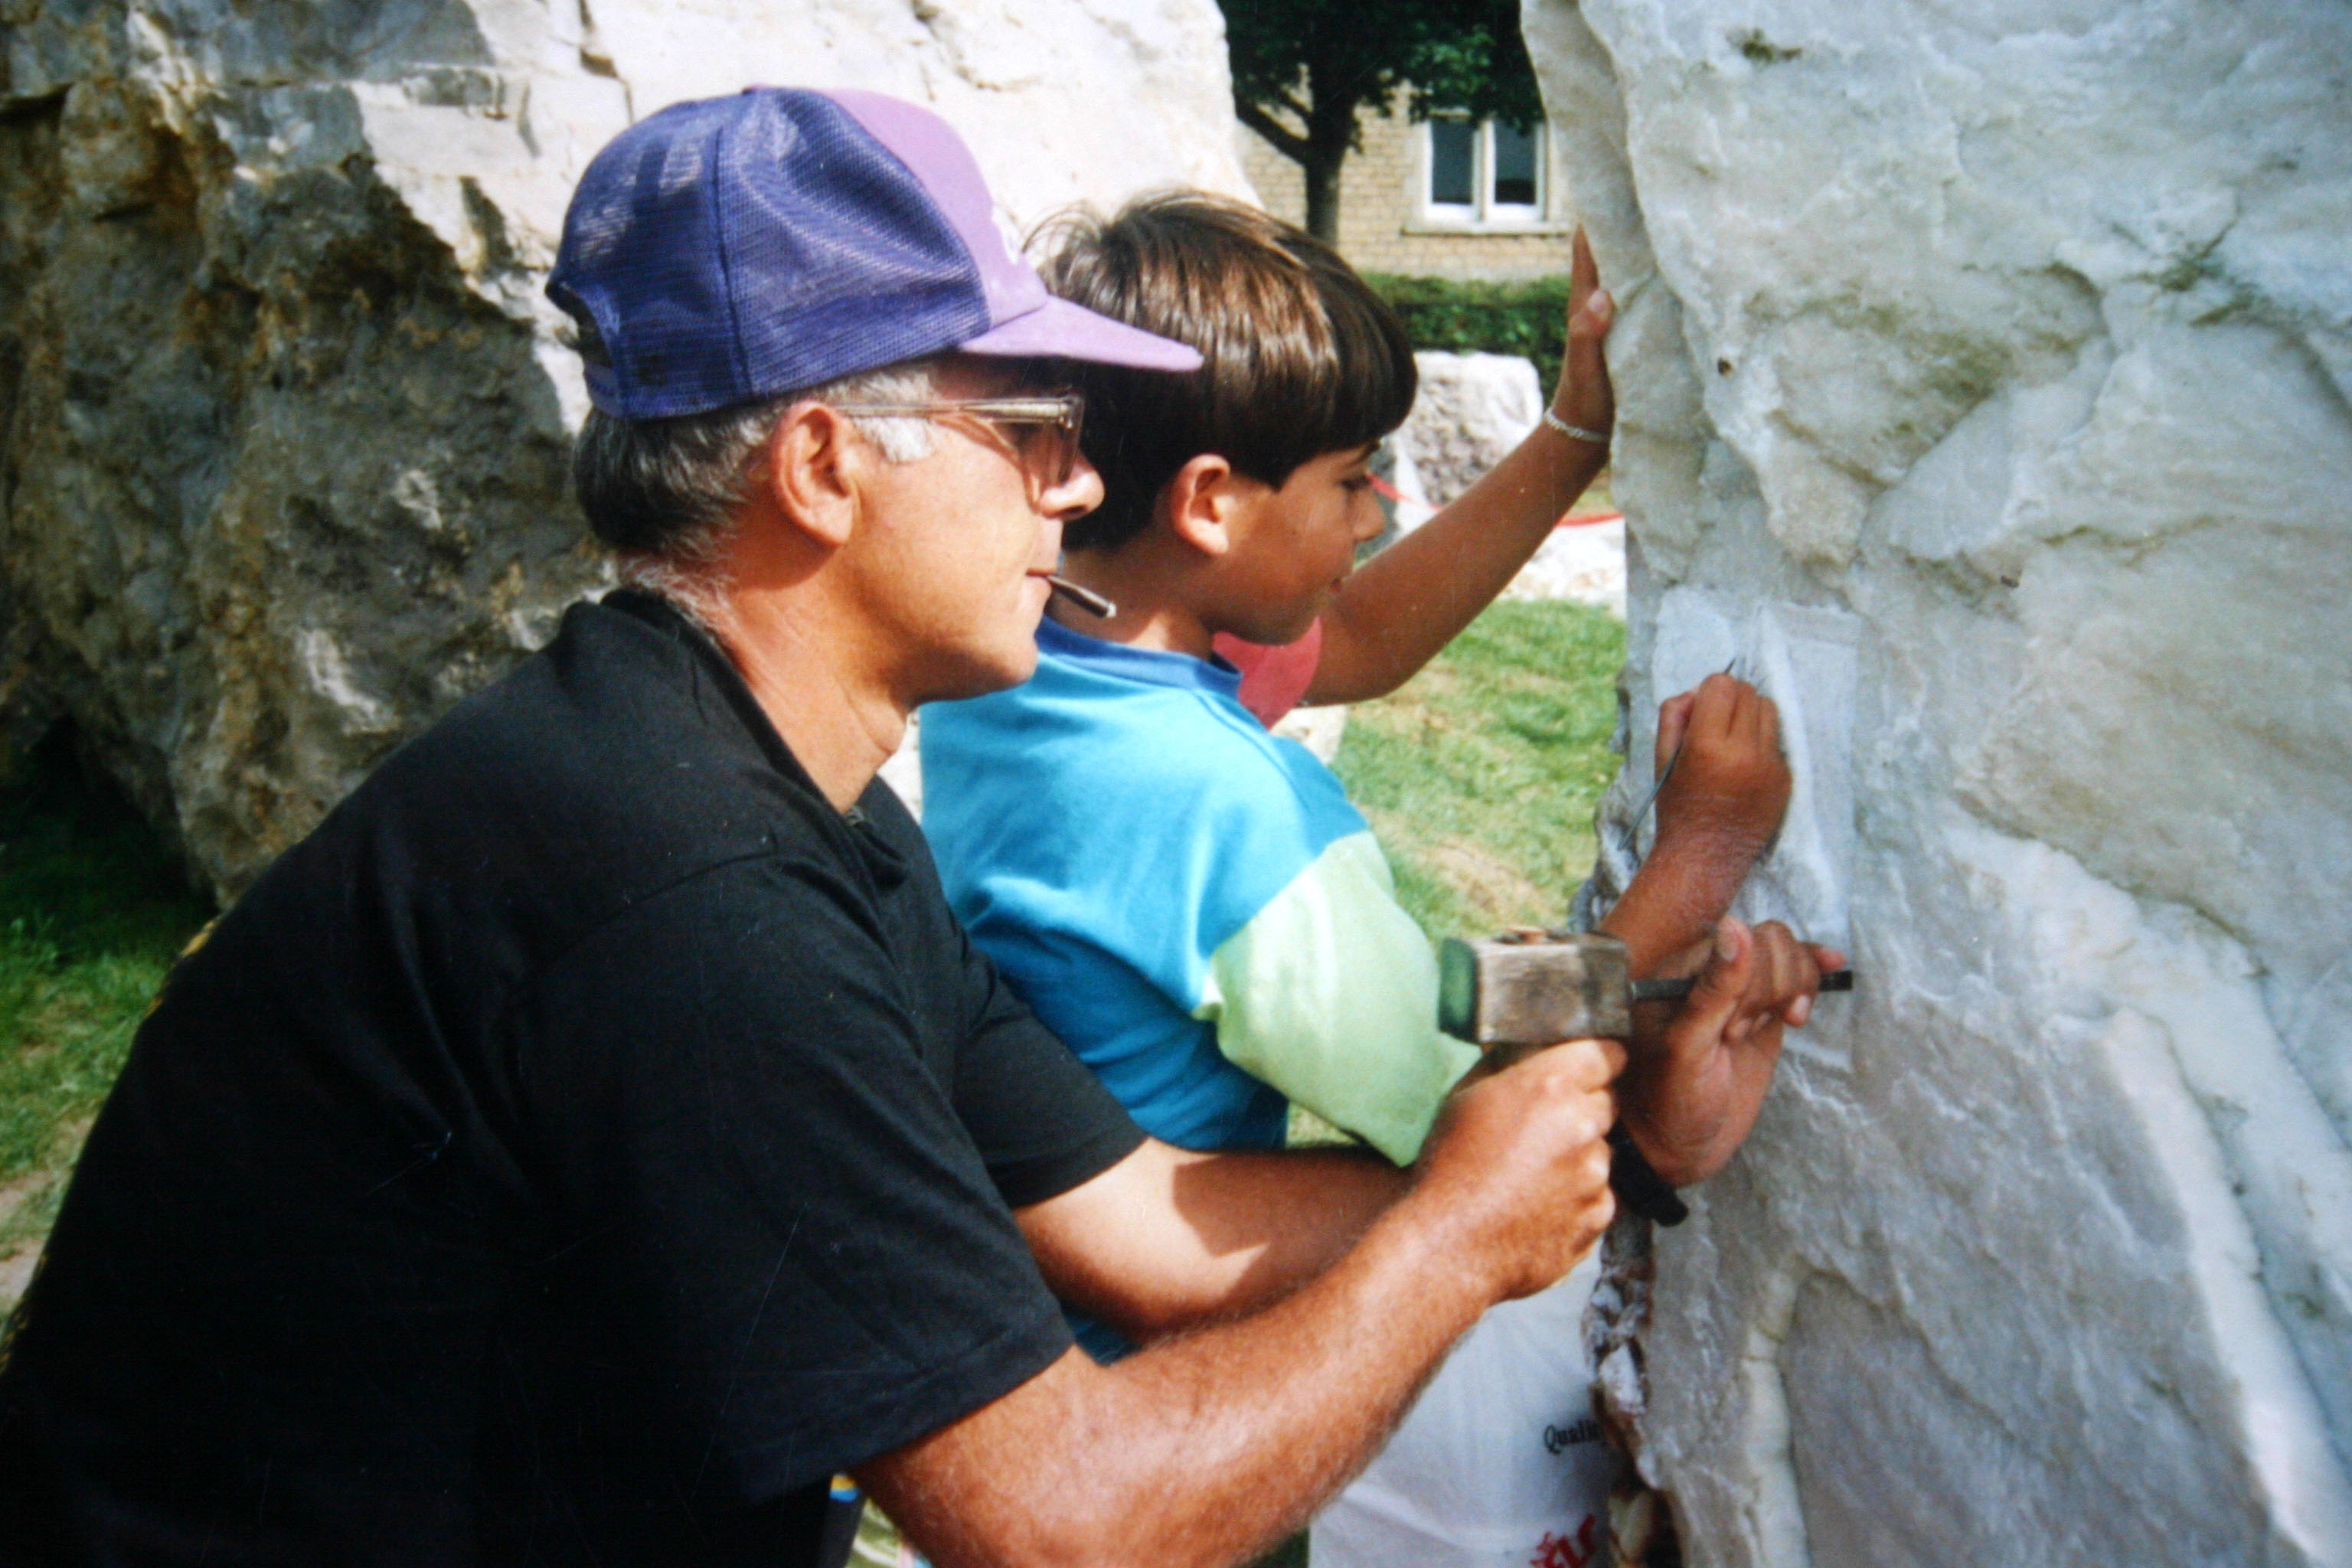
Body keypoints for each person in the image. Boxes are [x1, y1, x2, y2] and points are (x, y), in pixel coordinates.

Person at [0, 90, 1820, 1568]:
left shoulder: (785, 796)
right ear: (822, 465)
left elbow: (1131, 1218)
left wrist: (1579, 1179)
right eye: (1028, 426)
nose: (1082, 480)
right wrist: (1447, 1242)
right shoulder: (681, 894)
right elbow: (1060, 1524)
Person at [917, 194, 1829, 1559]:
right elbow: (1464, 1085)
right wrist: (1692, 871)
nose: (1382, 503)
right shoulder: (1229, 809)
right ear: (1210, 502)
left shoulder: (1025, 666)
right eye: (1351, 477)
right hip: (1182, 1434)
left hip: (1032, 1365)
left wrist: (1576, 429)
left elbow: (1353, 632)